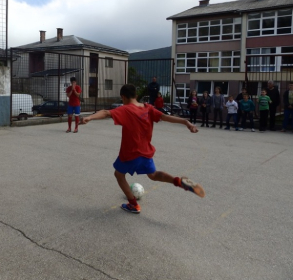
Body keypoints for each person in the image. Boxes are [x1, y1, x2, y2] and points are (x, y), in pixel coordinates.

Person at [80, 84, 205, 214]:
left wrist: (89, 117)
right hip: (146, 152)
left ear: (123, 97)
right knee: (153, 175)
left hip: (130, 153)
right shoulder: (148, 108)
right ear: (136, 95)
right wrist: (186, 122)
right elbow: (164, 117)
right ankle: (178, 181)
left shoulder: (125, 109)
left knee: (118, 175)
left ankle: (133, 204)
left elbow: (106, 112)